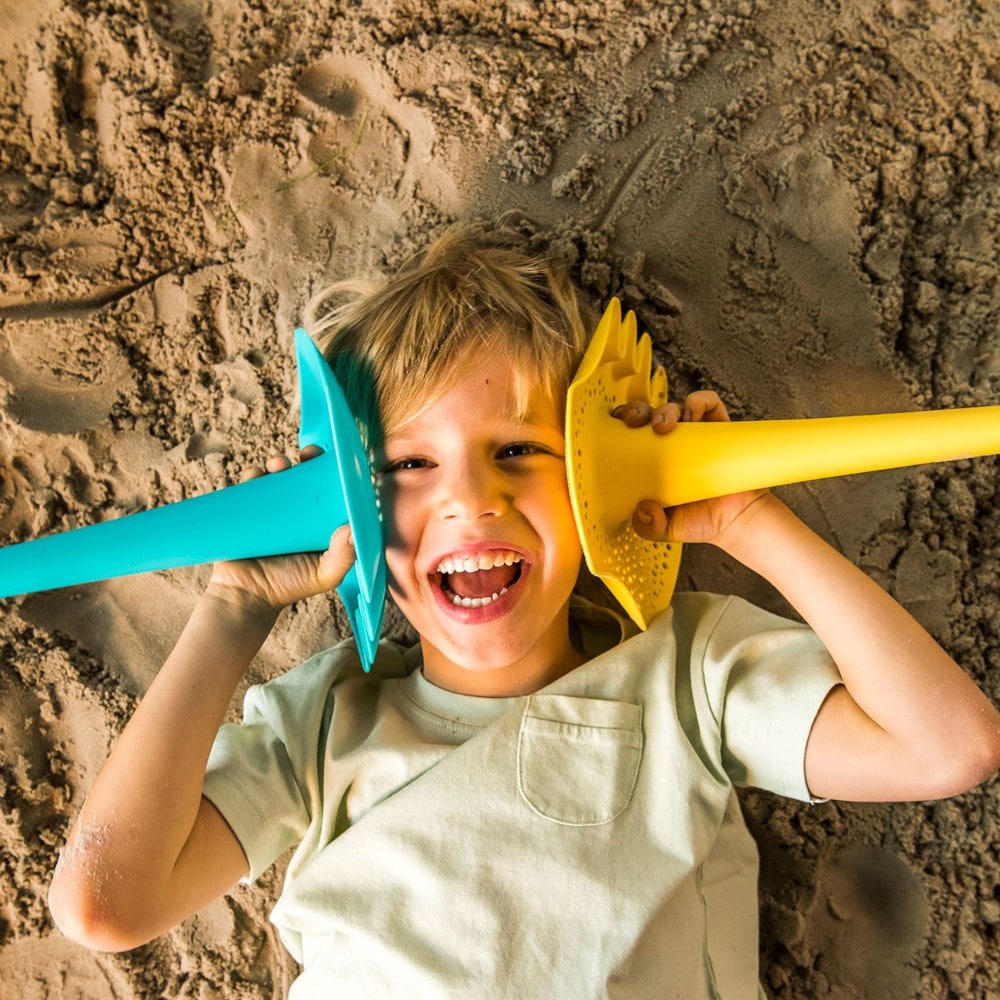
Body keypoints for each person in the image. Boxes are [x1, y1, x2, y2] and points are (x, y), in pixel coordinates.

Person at [48, 222, 1000, 998]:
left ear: (596, 479)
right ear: (355, 503)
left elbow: (947, 746)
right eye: (408, 466)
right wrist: (233, 607)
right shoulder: (323, 722)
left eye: (517, 452)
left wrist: (748, 521)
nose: (470, 501)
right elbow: (105, 903)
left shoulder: (692, 674)